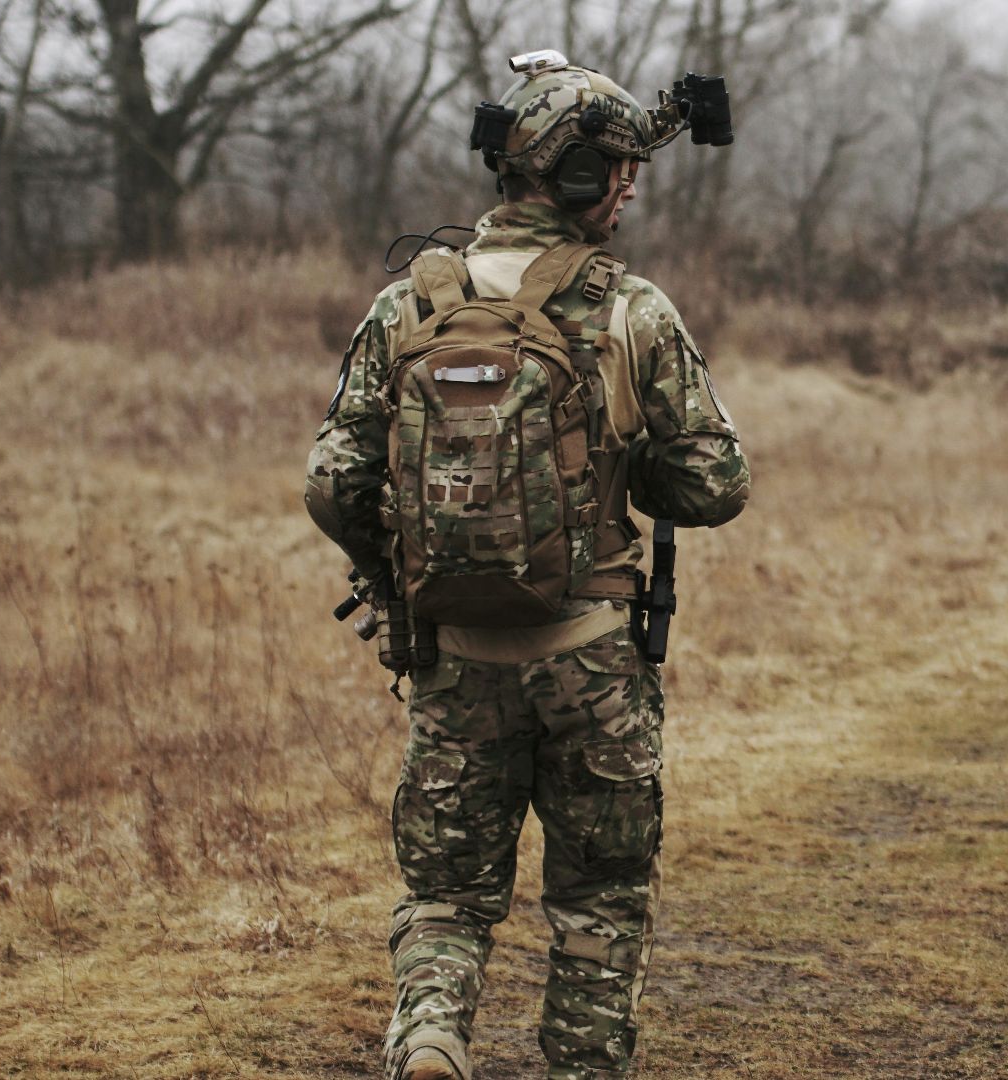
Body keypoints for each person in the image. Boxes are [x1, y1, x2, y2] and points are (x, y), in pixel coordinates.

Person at [304, 50, 749, 1080]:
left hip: (453, 659)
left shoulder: (407, 308)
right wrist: (621, 467)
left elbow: (331, 480)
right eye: (619, 173)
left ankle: (428, 1040)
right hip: (593, 661)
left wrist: (401, 577)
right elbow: (717, 486)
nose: (630, 191)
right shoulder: (632, 310)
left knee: (448, 894)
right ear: (577, 177)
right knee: (598, 897)